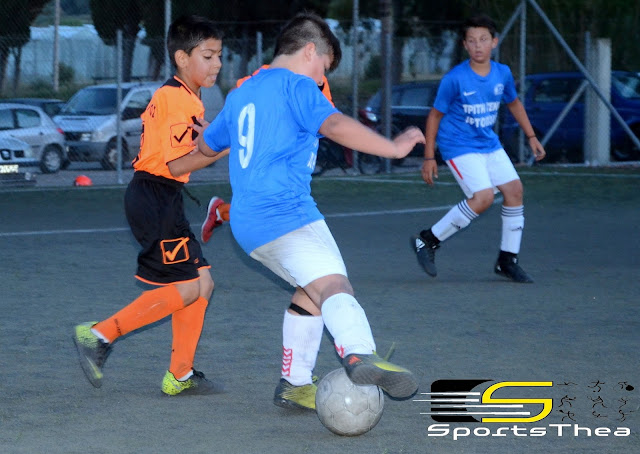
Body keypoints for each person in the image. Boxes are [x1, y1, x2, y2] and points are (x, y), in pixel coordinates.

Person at [194, 12, 424, 410]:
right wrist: (393, 147)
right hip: (286, 215)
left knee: (311, 290)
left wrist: (207, 133)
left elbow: (206, 146)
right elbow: (333, 125)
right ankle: (359, 351)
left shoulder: (242, 92)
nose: (321, 79)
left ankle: (295, 384)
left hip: (248, 224)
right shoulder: (297, 85)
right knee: (334, 286)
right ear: (310, 50)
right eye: (324, 68)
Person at [72, 15, 227, 396]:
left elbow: (191, 146)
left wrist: (215, 139)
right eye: (208, 56)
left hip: (164, 199)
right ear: (182, 58)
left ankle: (179, 375)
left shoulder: (186, 96)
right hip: (154, 198)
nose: (217, 64)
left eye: (219, 56)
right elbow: (176, 164)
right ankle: (99, 335)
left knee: (203, 283)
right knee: (187, 287)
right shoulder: (175, 98)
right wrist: (224, 147)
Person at [411, 14, 546, 283]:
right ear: (465, 45)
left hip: (488, 143)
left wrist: (531, 136)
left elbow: (514, 103)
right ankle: (428, 240)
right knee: (483, 198)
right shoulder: (455, 78)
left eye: (483, 39)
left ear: (494, 42)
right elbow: (435, 116)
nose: (478, 45)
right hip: (458, 145)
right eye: (471, 41)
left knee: (514, 191)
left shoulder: (502, 73)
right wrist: (429, 156)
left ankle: (507, 260)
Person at [200, 68, 335, 244]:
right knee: (269, 204)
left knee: (272, 207)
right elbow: (236, 93)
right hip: (268, 151)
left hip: (296, 148)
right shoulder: (268, 73)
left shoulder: (317, 76)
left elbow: (327, 118)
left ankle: (220, 211)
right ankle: (221, 212)